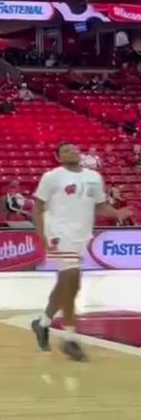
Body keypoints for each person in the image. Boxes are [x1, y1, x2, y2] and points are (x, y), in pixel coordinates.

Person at [31, 143, 131, 362]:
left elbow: (99, 206)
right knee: (71, 278)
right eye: (66, 151)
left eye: (74, 148)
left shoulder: (94, 176)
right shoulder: (51, 177)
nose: (72, 152)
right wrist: (42, 236)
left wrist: (117, 213)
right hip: (57, 232)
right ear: (58, 157)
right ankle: (70, 339)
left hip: (81, 234)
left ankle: (43, 322)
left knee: (68, 284)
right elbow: (37, 207)